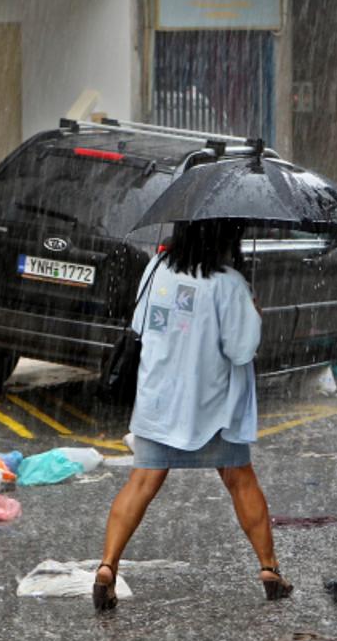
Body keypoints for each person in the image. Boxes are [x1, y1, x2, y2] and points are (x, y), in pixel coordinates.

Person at [93, 219, 292, 611]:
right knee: (240, 480)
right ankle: (269, 569)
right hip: (211, 404)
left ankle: (107, 567)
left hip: (159, 399)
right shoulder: (229, 283)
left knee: (141, 483)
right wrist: (253, 314)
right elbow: (240, 350)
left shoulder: (156, 268)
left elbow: (139, 325)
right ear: (226, 237)